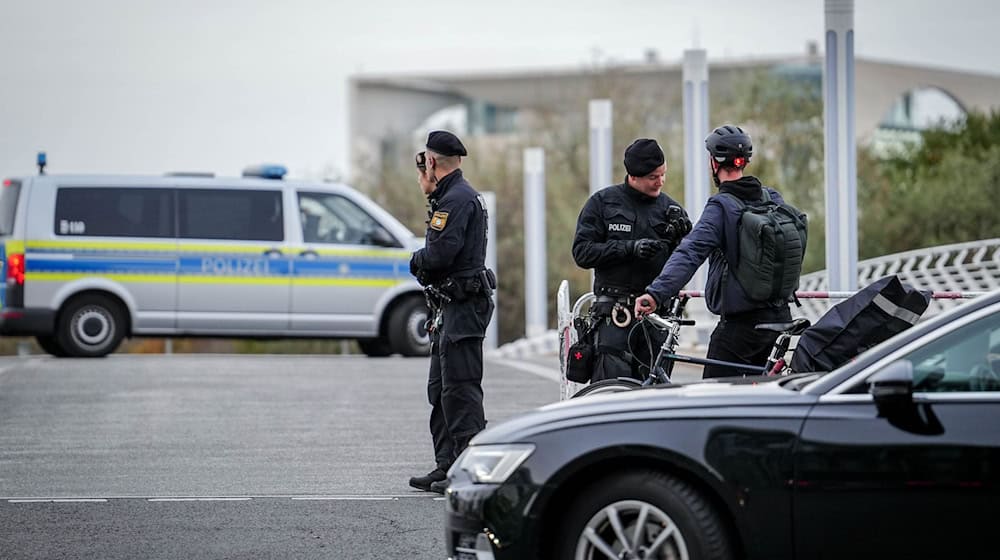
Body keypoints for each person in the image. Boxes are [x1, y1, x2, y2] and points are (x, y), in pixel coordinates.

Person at [635, 124, 804, 378]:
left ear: (714, 163)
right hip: (781, 317)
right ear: (744, 162)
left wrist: (655, 294)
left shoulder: (722, 206)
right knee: (763, 400)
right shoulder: (772, 198)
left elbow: (690, 252)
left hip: (741, 329)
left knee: (711, 402)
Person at [407, 130, 495, 495]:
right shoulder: (453, 196)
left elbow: (442, 255)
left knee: (460, 390)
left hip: (463, 305)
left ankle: (468, 470)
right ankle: (447, 466)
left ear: (430, 163)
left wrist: (416, 261)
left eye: (422, 165)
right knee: (441, 389)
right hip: (450, 306)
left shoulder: (455, 200)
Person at [572, 138, 691, 382]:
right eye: (653, 177)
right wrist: (629, 248)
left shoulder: (671, 210)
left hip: (656, 318)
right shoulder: (602, 203)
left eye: (663, 174)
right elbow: (582, 253)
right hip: (615, 315)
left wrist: (681, 243)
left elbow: (684, 264)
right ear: (633, 176)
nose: (660, 181)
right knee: (610, 393)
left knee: (654, 396)